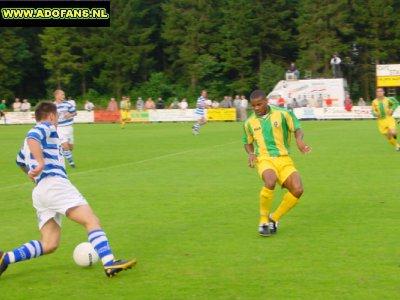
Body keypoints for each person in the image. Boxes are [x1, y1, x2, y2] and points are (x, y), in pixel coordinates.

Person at [0, 102, 136, 278]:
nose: (56, 122)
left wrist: (32, 173)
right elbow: (32, 137)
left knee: (50, 244)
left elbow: (19, 161)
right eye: (56, 118)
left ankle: (5, 258)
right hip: (56, 185)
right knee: (91, 220)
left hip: (41, 191)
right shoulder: (46, 126)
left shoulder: (30, 142)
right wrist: (41, 164)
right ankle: (109, 262)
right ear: (51, 116)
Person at [243, 89, 311, 237]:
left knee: (298, 189)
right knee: (270, 180)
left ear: (266, 101)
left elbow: (297, 129)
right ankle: (263, 221)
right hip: (264, 159)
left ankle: (273, 218)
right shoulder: (249, 122)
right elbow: (247, 142)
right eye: (253, 106)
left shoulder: (283, 114)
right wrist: (251, 153)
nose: (256, 108)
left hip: (284, 159)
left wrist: (299, 140)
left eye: (259, 105)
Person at [54, 90, 77, 168]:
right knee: (65, 146)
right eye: (62, 94)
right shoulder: (52, 106)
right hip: (60, 128)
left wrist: (70, 115)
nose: (64, 96)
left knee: (71, 147)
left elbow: (75, 112)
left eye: (64, 94)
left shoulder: (68, 104)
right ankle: (71, 163)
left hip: (69, 128)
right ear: (56, 96)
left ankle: (59, 151)